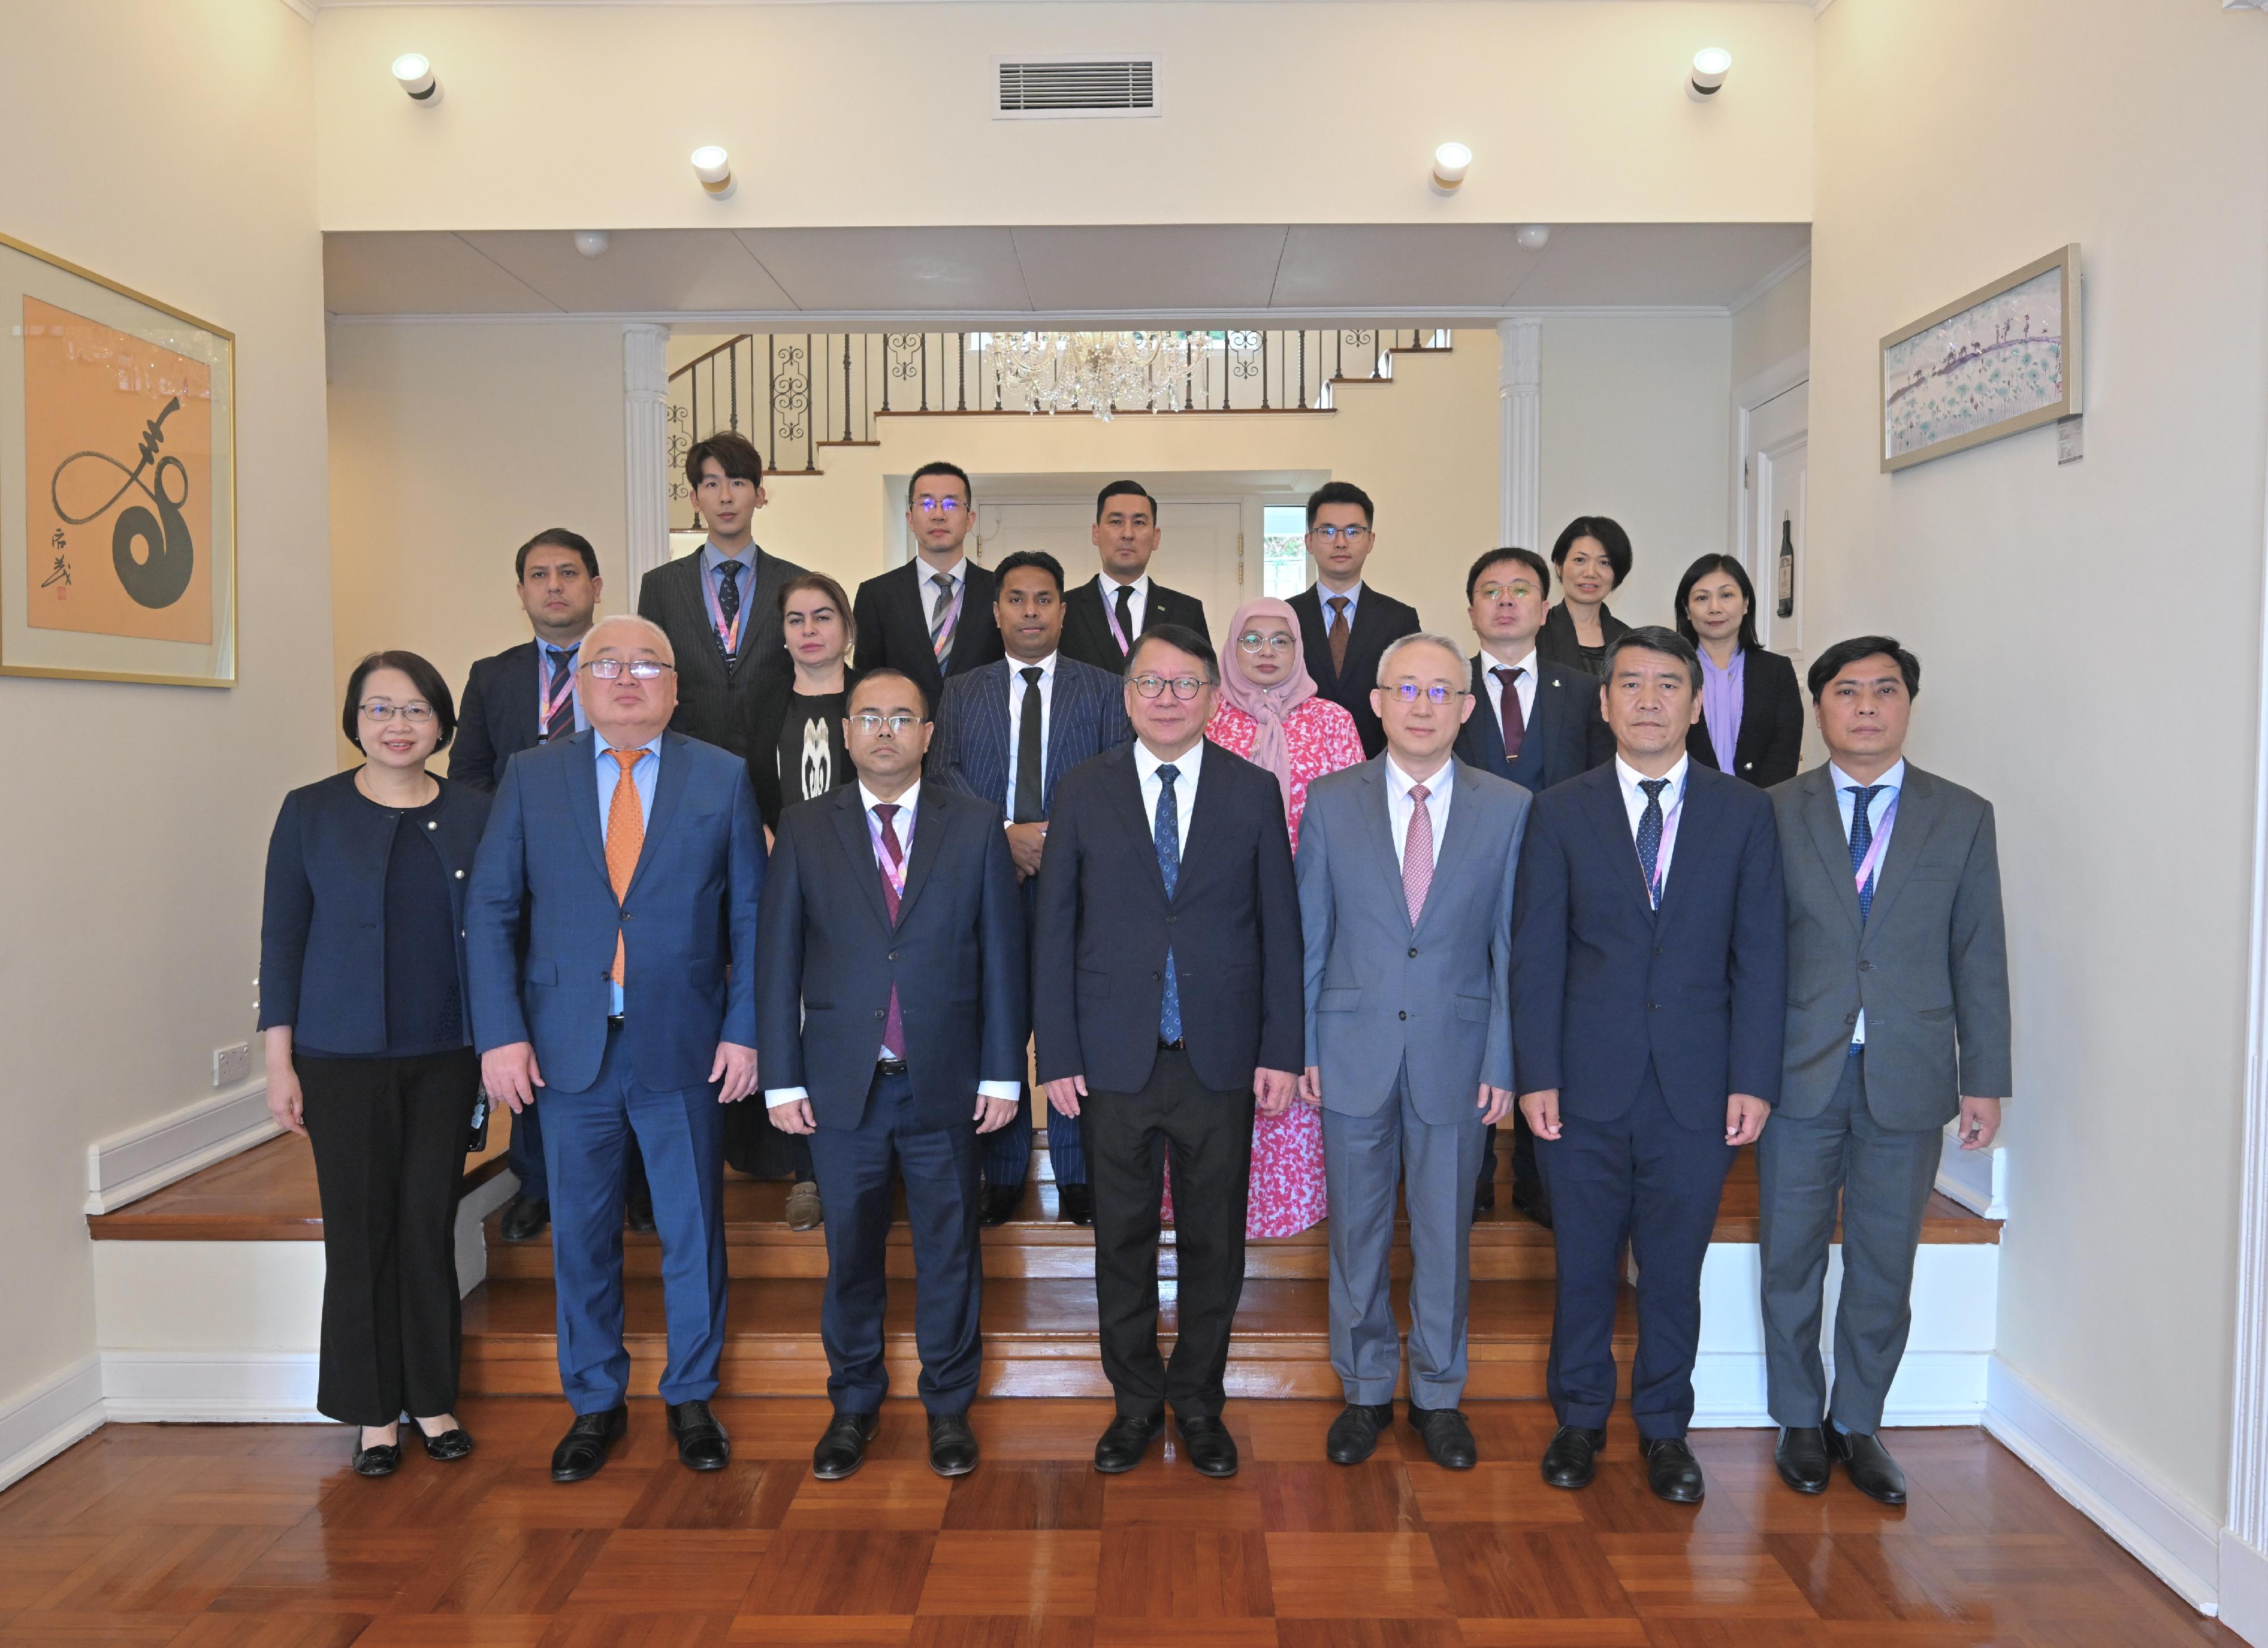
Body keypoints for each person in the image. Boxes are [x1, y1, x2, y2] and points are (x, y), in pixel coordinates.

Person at [467, 614, 765, 1484]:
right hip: (565, 1049)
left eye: (647, 665)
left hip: (685, 1043)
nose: (627, 678)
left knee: (691, 1228)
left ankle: (691, 1393)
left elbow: (751, 915)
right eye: (608, 664)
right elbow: (489, 913)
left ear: (676, 685)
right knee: (583, 1232)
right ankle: (594, 1399)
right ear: (580, 684)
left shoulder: (723, 776)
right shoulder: (531, 776)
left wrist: (744, 1025)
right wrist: (501, 1033)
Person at [1512, 626, 1785, 1505]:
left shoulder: (1745, 812)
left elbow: (1762, 956)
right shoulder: (1560, 808)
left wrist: (1753, 1077)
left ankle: (1667, 1427)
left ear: (1696, 704)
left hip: (1699, 1090)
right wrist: (1536, 1072)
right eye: (1630, 683)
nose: (1649, 700)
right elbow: (1536, 954)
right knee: (1584, 1264)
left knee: (1673, 1269)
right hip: (1584, 1083)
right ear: (1605, 701)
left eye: (1669, 684)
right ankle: (1580, 1418)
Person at [1034, 625, 1302, 1479]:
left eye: (1187, 684)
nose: (1169, 697)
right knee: (1121, 1239)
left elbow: (1281, 932)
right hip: (1112, 1057)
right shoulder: (1082, 789)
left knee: (1214, 1242)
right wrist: (1058, 1051)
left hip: (1220, 1056)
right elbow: (1055, 931)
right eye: (1152, 682)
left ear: (1214, 697)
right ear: (1127, 694)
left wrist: (1282, 1048)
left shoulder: (1252, 790)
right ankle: (1135, 1403)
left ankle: (1199, 1400)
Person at [756, 670, 1026, 1481]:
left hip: (944, 1078)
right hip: (843, 1082)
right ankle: (853, 1403)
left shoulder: (975, 826)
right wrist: (781, 1076)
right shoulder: (804, 827)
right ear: (845, 731)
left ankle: (948, 1405)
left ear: (928, 733)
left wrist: (1005, 1072)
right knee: (852, 1252)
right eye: (869, 716)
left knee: (950, 1250)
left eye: (902, 717)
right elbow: (777, 961)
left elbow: (1003, 959)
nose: (885, 730)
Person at [1760, 637, 2009, 1505]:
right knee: (1790, 1255)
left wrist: (1984, 1077)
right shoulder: (1774, 810)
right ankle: (1798, 1416)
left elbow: (1980, 953)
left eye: (1885, 690)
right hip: (1796, 1072)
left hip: (1907, 1073)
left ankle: (1857, 1420)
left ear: (1909, 703)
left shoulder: (1962, 815)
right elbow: (1749, 954)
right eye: (1846, 691)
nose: (1866, 706)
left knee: (1882, 1260)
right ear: (1819, 706)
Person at [1296, 633, 1530, 1472]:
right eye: (1407, 689)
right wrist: (1304, 1043)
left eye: (1441, 691)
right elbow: (1310, 935)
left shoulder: (1508, 806)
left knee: (1444, 1235)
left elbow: (1511, 947)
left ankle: (1437, 1392)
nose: (1423, 705)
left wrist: (1503, 1058)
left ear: (1467, 709)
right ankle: (1364, 1389)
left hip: (1458, 1055)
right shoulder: (1330, 800)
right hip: (1350, 1047)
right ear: (1379, 702)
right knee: (1356, 1234)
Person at [259, 651, 488, 1477]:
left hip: (444, 1052)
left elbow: (498, 934)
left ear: (442, 723)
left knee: (427, 1225)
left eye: (417, 709)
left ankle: (432, 1397)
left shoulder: (475, 812)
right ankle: (372, 1413)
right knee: (359, 1233)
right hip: (338, 1056)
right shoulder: (311, 812)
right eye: (380, 708)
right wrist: (279, 1061)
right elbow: (282, 940)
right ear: (355, 720)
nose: (398, 725)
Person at [451, 528, 651, 1244]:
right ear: (521, 593)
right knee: (548, 1033)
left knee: (626, 1030)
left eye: (570, 573)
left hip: (621, 872)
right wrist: (527, 819)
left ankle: (636, 1183)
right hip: (535, 882)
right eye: (539, 575)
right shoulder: (491, 676)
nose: (555, 586)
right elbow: (468, 777)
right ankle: (537, 1180)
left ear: (597, 587)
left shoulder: (630, 667)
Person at [928, 549, 1132, 1227]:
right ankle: (1004, 1169)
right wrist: (1004, 837)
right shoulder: (962, 690)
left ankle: (1077, 1174)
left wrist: (1053, 842)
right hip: (989, 883)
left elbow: (1115, 780)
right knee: (998, 1023)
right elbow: (946, 776)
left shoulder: (1104, 689)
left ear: (1064, 610)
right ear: (995, 611)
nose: (1030, 612)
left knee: (1075, 1026)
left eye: (1043, 599)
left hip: (1081, 888)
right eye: (1015, 599)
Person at [1182, 595, 1361, 1240]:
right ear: (1230, 649)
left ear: (1298, 650)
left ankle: (1288, 1201)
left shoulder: (1333, 721)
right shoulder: (1204, 716)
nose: (1265, 651)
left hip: (1312, 912)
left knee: (1293, 1041)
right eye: (1251, 639)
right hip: (1221, 917)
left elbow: (1357, 826)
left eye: (1279, 640)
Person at [1452, 546, 1615, 1224]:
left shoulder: (1582, 690)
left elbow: (1608, 791)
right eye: (1490, 590)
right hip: (1464, 888)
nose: (1506, 600)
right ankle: (1471, 1178)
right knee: (1470, 1025)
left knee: (1553, 1023)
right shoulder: (1443, 689)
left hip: (1564, 891)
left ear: (1544, 608)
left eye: (1521, 589)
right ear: (1471, 611)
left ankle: (1541, 1182)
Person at [735, 571, 864, 1231]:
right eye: (795, 620)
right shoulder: (759, 702)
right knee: (796, 1017)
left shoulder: (871, 698)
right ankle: (807, 1172)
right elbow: (741, 786)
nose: (809, 631)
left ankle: (850, 1160)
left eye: (823, 617)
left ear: (846, 628)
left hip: (863, 889)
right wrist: (762, 835)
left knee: (851, 1021)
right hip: (779, 881)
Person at [638, 430, 807, 758]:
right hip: (686, 751)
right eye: (712, 484)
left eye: (738, 483)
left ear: (759, 495)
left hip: (774, 751)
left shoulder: (795, 582)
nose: (726, 497)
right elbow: (650, 674)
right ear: (695, 498)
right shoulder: (660, 585)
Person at [850, 461, 1003, 714]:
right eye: (927, 504)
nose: (939, 514)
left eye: (952, 504)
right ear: (910, 519)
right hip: (904, 742)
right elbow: (867, 682)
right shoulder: (876, 595)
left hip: (984, 739)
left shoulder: (999, 590)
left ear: (970, 520)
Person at [1287, 482, 1421, 759]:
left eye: (1353, 532)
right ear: (1309, 542)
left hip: (1379, 764)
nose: (1340, 542)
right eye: (1327, 531)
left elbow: (1410, 694)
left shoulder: (1399, 618)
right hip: (1300, 764)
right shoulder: (1285, 617)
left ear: (1370, 541)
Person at [1675, 553, 1804, 790]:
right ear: (1687, 609)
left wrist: (1759, 807)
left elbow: (1784, 753)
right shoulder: (1672, 672)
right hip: (1686, 807)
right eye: (1702, 598)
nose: (1715, 608)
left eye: (1726, 595)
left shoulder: (1776, 671)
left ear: (1746, 603)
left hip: (1761, 806)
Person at [1057, 480, 1211, 673]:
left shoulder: (1187, 612)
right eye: (1116, 522)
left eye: (1139, 523)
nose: (1128, 534)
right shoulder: (1063, 610)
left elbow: (1203, 683)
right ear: (1096, 534)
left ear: (1156, 537)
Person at [1535, 516, 1634, 676]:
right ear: (1559, 566)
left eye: (1604, 563)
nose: (1590, 573)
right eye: (1580, 560)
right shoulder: (1534, 632)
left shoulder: (1630, 641)